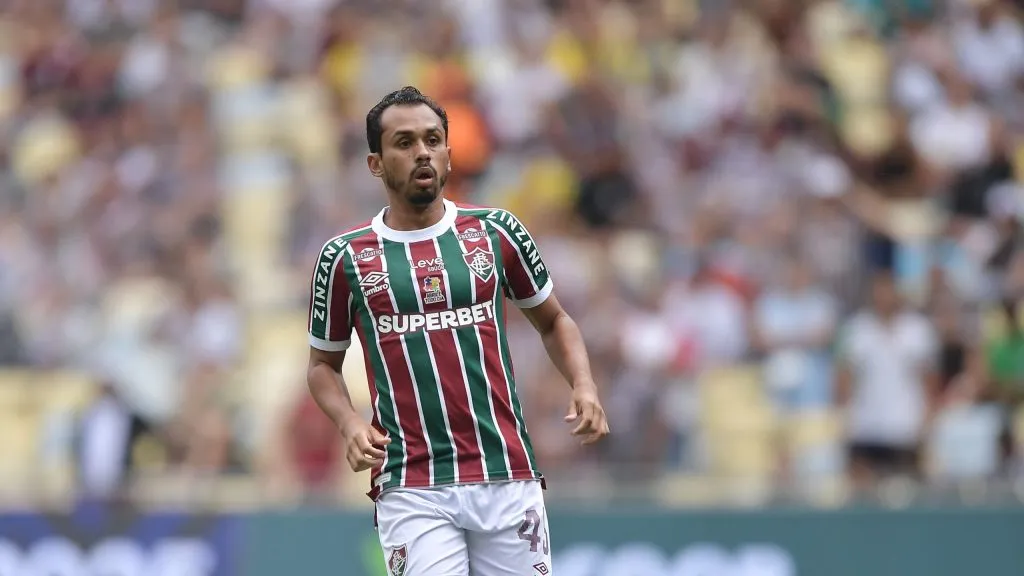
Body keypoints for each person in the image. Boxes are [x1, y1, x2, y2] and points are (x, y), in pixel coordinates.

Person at [305, 86, 609, 575]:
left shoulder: (496, 232)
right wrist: (350, 423)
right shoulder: (345, 258)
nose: (422, 152)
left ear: (448, 152)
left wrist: (584, 384)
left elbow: (554, 320)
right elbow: (322, 367)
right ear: (375, 164)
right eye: (404, 143)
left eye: (433, 139)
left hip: (505, 472)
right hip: (411, 481)